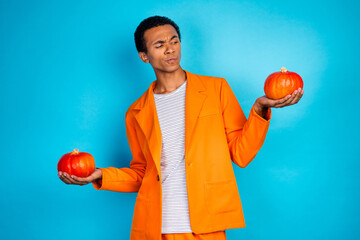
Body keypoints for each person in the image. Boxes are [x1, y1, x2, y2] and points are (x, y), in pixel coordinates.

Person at [58, 16, 304, 240]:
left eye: (174, 40)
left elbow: (241, 153)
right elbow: (142, 173)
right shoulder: (135, 113)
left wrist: (260, 109)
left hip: (206, 224)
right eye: (159, 45)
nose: (169, 49)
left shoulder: (216, 89)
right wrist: (100, 175)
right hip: (155, 227)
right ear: (144, 56)